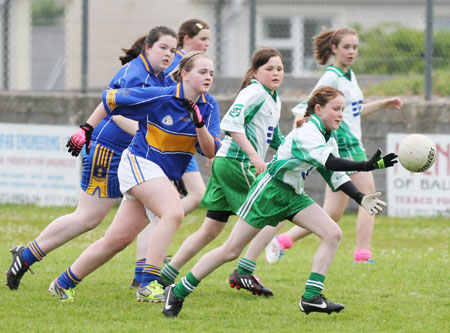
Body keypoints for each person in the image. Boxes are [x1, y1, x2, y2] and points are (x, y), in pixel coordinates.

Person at [162, 85, 398, 318]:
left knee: (332, 233)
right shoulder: (308, 132)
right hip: (270, 192)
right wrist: (367, 165)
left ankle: (311, 298)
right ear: (318, 109)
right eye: (336, 108)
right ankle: (178, 291)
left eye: (343, 109)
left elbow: (335, 175)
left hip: (293, 195)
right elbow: (330, 163)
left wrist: (360, 198)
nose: (341, 114)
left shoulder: (328, 136)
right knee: (231, 251)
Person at [5, 26, 178, 290]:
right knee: (88, 218)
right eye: (163, 48)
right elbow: (117, 113)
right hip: (109, 151)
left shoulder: (162, 78)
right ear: (148, 48)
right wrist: (155, 141)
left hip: (136, 155)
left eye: (172, 50)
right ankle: (26, 255)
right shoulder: (137, 75)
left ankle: (146, 279)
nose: (168, 54)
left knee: (154, 212)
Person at [49, 52, 221, 303]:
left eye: (211, 73)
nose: (208, 77)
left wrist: (200, 124)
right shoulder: (160, 95)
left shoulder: (210, 105)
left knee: (117, 240)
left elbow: (210, 151)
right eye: (202, 72)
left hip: (159, 175)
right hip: (139, 163)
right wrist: (86, 129)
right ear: (184, 74)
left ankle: (63, 283)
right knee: (173, 212)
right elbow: (110, 99)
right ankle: (149, 283)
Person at [264, 27, 403, 264]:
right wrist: (302, 139)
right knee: (370, 195)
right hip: (343, 146)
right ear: (334, 49)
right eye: (346, 47)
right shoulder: (331, 77)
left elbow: (352, 113)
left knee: (332, 214)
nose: (351, 52)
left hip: (348, 145)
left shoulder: (350, 75)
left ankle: (282, 241)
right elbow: (304, 108)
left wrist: (382, 104)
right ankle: (362, 255)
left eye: (355, 47)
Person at [160, 47, 285, 297]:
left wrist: (299, 153)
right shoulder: (254, 92)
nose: (275, 73)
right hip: (236, 163)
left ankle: (165, 276)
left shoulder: (273, 97)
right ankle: (245, 271)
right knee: (281, 206)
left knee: (211, 230)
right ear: (255, 72)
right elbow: (230, 124)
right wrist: (253, 155)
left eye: (279, 69)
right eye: (269, 68)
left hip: (226, 163)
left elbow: (275, 137)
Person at [130, 18, 211, 288]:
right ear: (187, 40)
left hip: (181, 148)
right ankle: (147, 273)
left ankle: (145, 270)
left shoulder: (203, 81)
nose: (206, 45)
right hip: (157, 149)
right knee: (169, 211)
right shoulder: (177, 68)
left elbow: (209, 140)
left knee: (179, 204)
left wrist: (203, 134)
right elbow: (119, 102)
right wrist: (147, 135)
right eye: (202, 40)